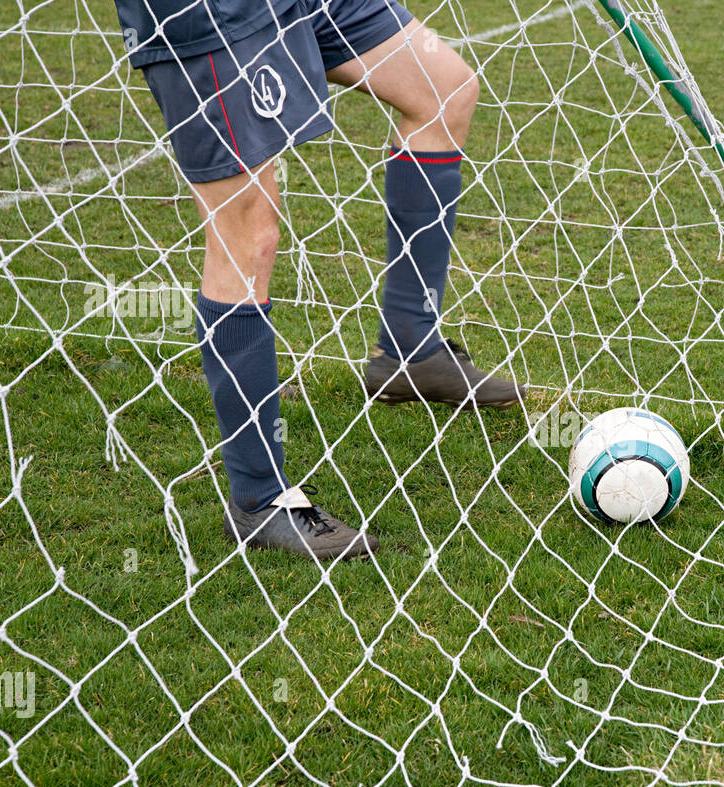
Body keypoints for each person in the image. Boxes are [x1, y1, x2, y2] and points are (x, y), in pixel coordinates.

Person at [113, 0, 525, 561]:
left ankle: (410, 351)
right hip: (209, 11)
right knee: (247, 233)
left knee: (443, 90)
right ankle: (259, 498)